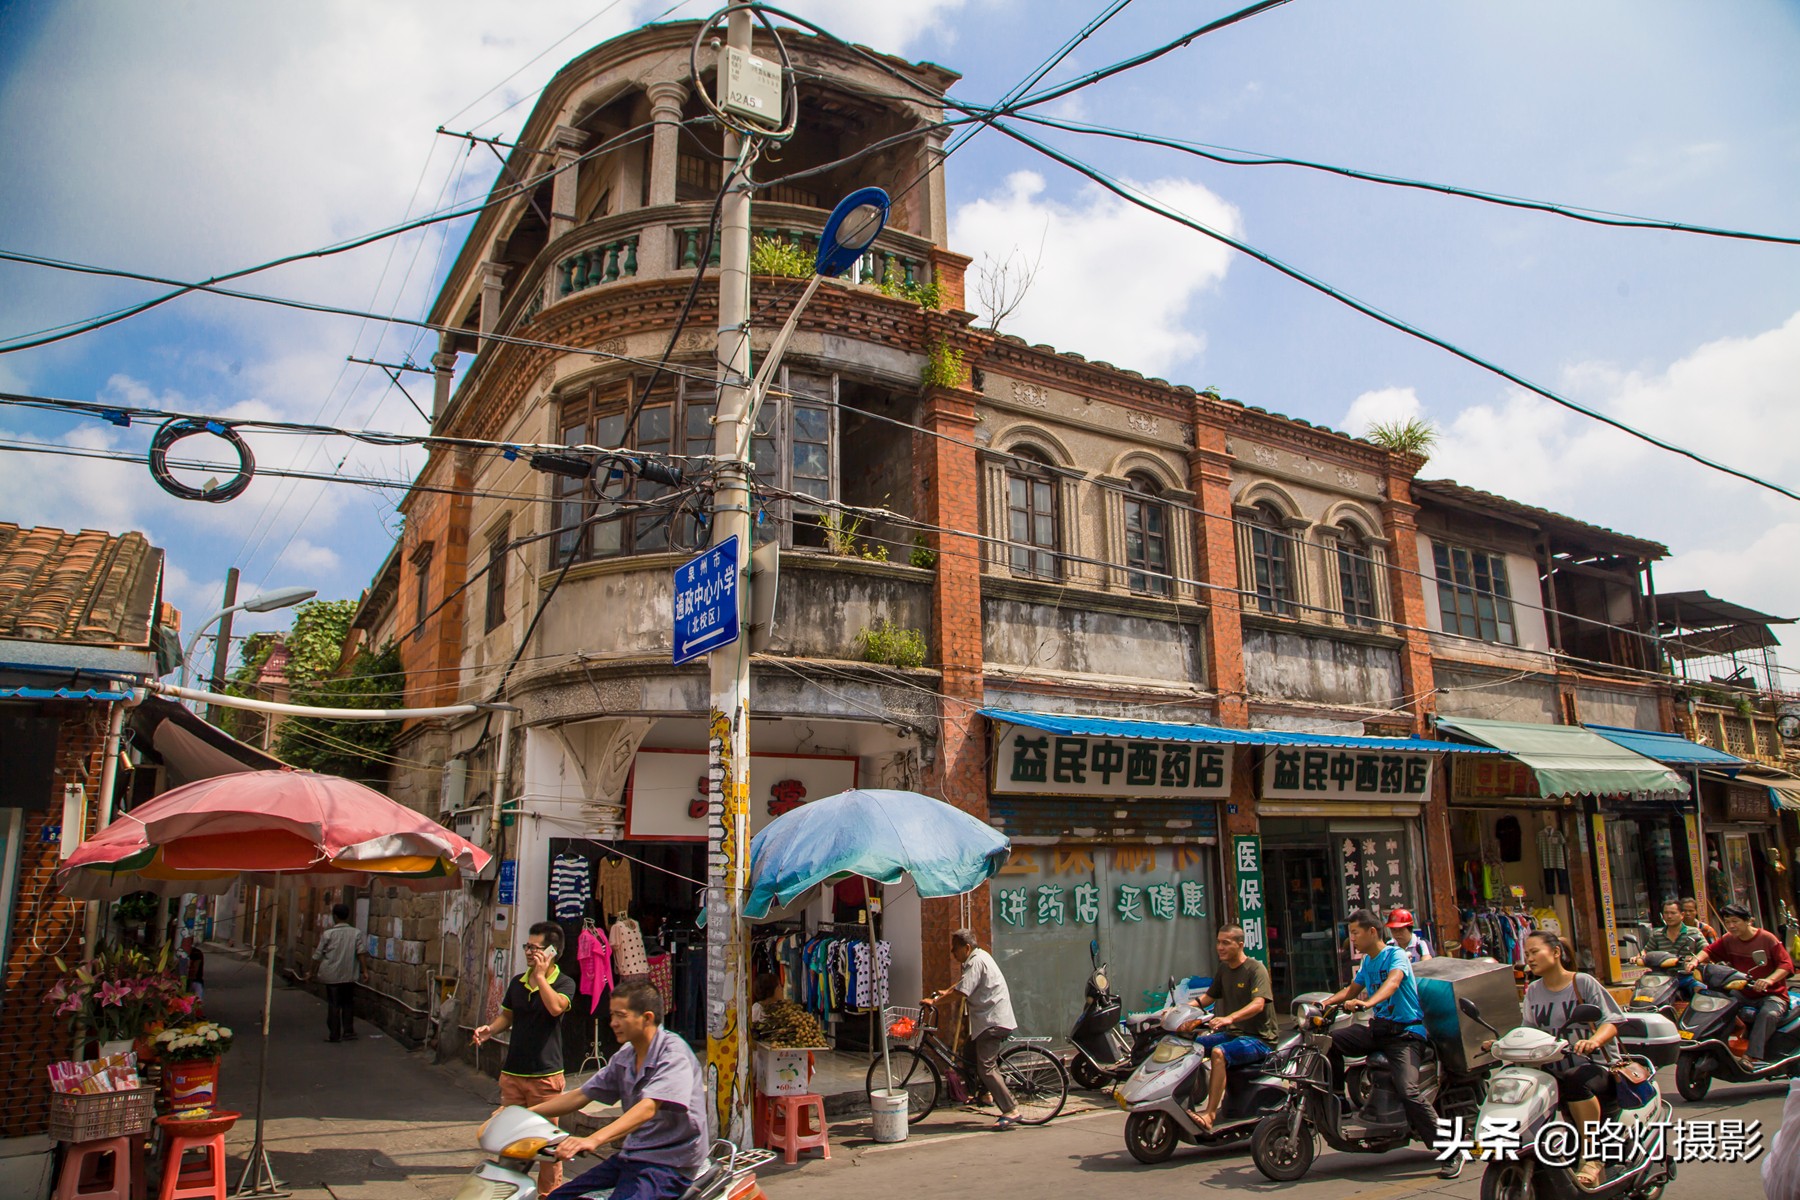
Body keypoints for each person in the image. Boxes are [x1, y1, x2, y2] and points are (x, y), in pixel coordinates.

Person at [527, 980, 710, 1200]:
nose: (612, 1023)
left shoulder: (673, 1054)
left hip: (670, 1163)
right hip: (633, 1155)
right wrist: (526, 1113)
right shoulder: (626, 1056)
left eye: (621, 1015)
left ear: (647, 1018)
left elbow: (648, 1108)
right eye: (612, 1015)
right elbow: (582, 1094)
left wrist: (593, 1139)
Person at [1320, 909, 1459, 1180]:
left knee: (1408, 1090)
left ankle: (1450, 1151)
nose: (1353, 940)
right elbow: (1350, 991)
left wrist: (1369, 1002)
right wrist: (1324, 1004)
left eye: (1356, 934)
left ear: (1372, 932)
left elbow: (1393, 983)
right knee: (1331, 1042)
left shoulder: (1396, 956)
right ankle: (1340, 1101)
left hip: (1405, 1035)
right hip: (1380, 1030)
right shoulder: (1368, 963)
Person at [1480, 930, 1622, 1190]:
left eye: (1535, 952)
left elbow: (1610, 1022)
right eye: (1527, 953)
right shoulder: (1533, 991)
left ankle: (1592, 1156)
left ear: (1556, 953)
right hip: (1551, 1068)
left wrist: (1594, 1041)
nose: (1529, 959)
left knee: (1574, 1081)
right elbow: (1529, 1031)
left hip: (1593, 1068)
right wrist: (1501, 1044)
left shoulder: (1583, 983)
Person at [474, 923, 578, 1195]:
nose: (529, 952)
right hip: (514, 1075)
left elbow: (556, 1008)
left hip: (545, 1077)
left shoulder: (565, 983)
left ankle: (549, 1194)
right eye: (527, 947)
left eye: (536, 948)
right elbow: (507, 1016)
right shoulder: (517, 982)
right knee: (510, 1140)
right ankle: (507, 1191)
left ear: (552, 952)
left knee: (546, 1146)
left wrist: (542, 978)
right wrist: (490, 1030)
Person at [1180, 925, 1277, 1134]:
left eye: (1226, 943)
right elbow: (1207, 998)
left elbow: (1259, 1003)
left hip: (1259, 1040)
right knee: (1189, 1047)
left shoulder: (1255, 969)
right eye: (1218, 942)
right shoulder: (1224, 969)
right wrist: (1180, 1010)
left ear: (1240, 944)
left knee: (1218, 1052)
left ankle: (1210, 1114)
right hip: (1235, 1034)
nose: (1220, 947)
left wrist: (1229, 1018)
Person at [924, 928, 1021, 1129]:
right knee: (968, 1052)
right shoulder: (977, 958)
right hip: (988, 1020)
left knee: (986, 1067)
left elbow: (961, 992)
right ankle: (984, 1094)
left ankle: (1011, 1109)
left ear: (967, 947)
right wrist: (945, 991)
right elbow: (961, 984)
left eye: (955, 950)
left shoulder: (976, 961)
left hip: (993, 1021)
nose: (953, 953)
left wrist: (935, 1002)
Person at [1693, 902, 1793, 1065]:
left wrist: (1769, 980)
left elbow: (1786, 964)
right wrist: (1695, 960)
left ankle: (1751, 1056)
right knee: (1715, 1000)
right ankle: (1716, 1045)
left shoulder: (1767, 938)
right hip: (1743, 992)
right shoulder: (1729, 939)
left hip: (1772, 995)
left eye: (1735, 921)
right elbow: (1709, 951)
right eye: (1727, 922)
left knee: (1768, 1014)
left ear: (1748, 921)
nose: (1731, 926)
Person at [310, 904, 364, 1043]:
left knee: (334, 1004)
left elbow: (317, 955)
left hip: (331, 975)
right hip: (349, 973)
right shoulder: (356, 933)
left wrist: (312, 971)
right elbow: (361, 953)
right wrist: (365, 970)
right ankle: (348, 1031)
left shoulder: (328, 934)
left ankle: (334, 1034)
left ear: (334, 916)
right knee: (348, 1003)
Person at [1636, 898, 1704, 968]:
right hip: (1662, 974)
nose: (1669, 916)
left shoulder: (1694, 932)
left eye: (1673, 913)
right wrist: (1637, 957)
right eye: (1666, 913)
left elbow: (1705, 951)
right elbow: (1646, 951)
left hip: (1686, 973)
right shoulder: (1657, 934)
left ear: (1682, 915)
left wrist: (1694, 960)